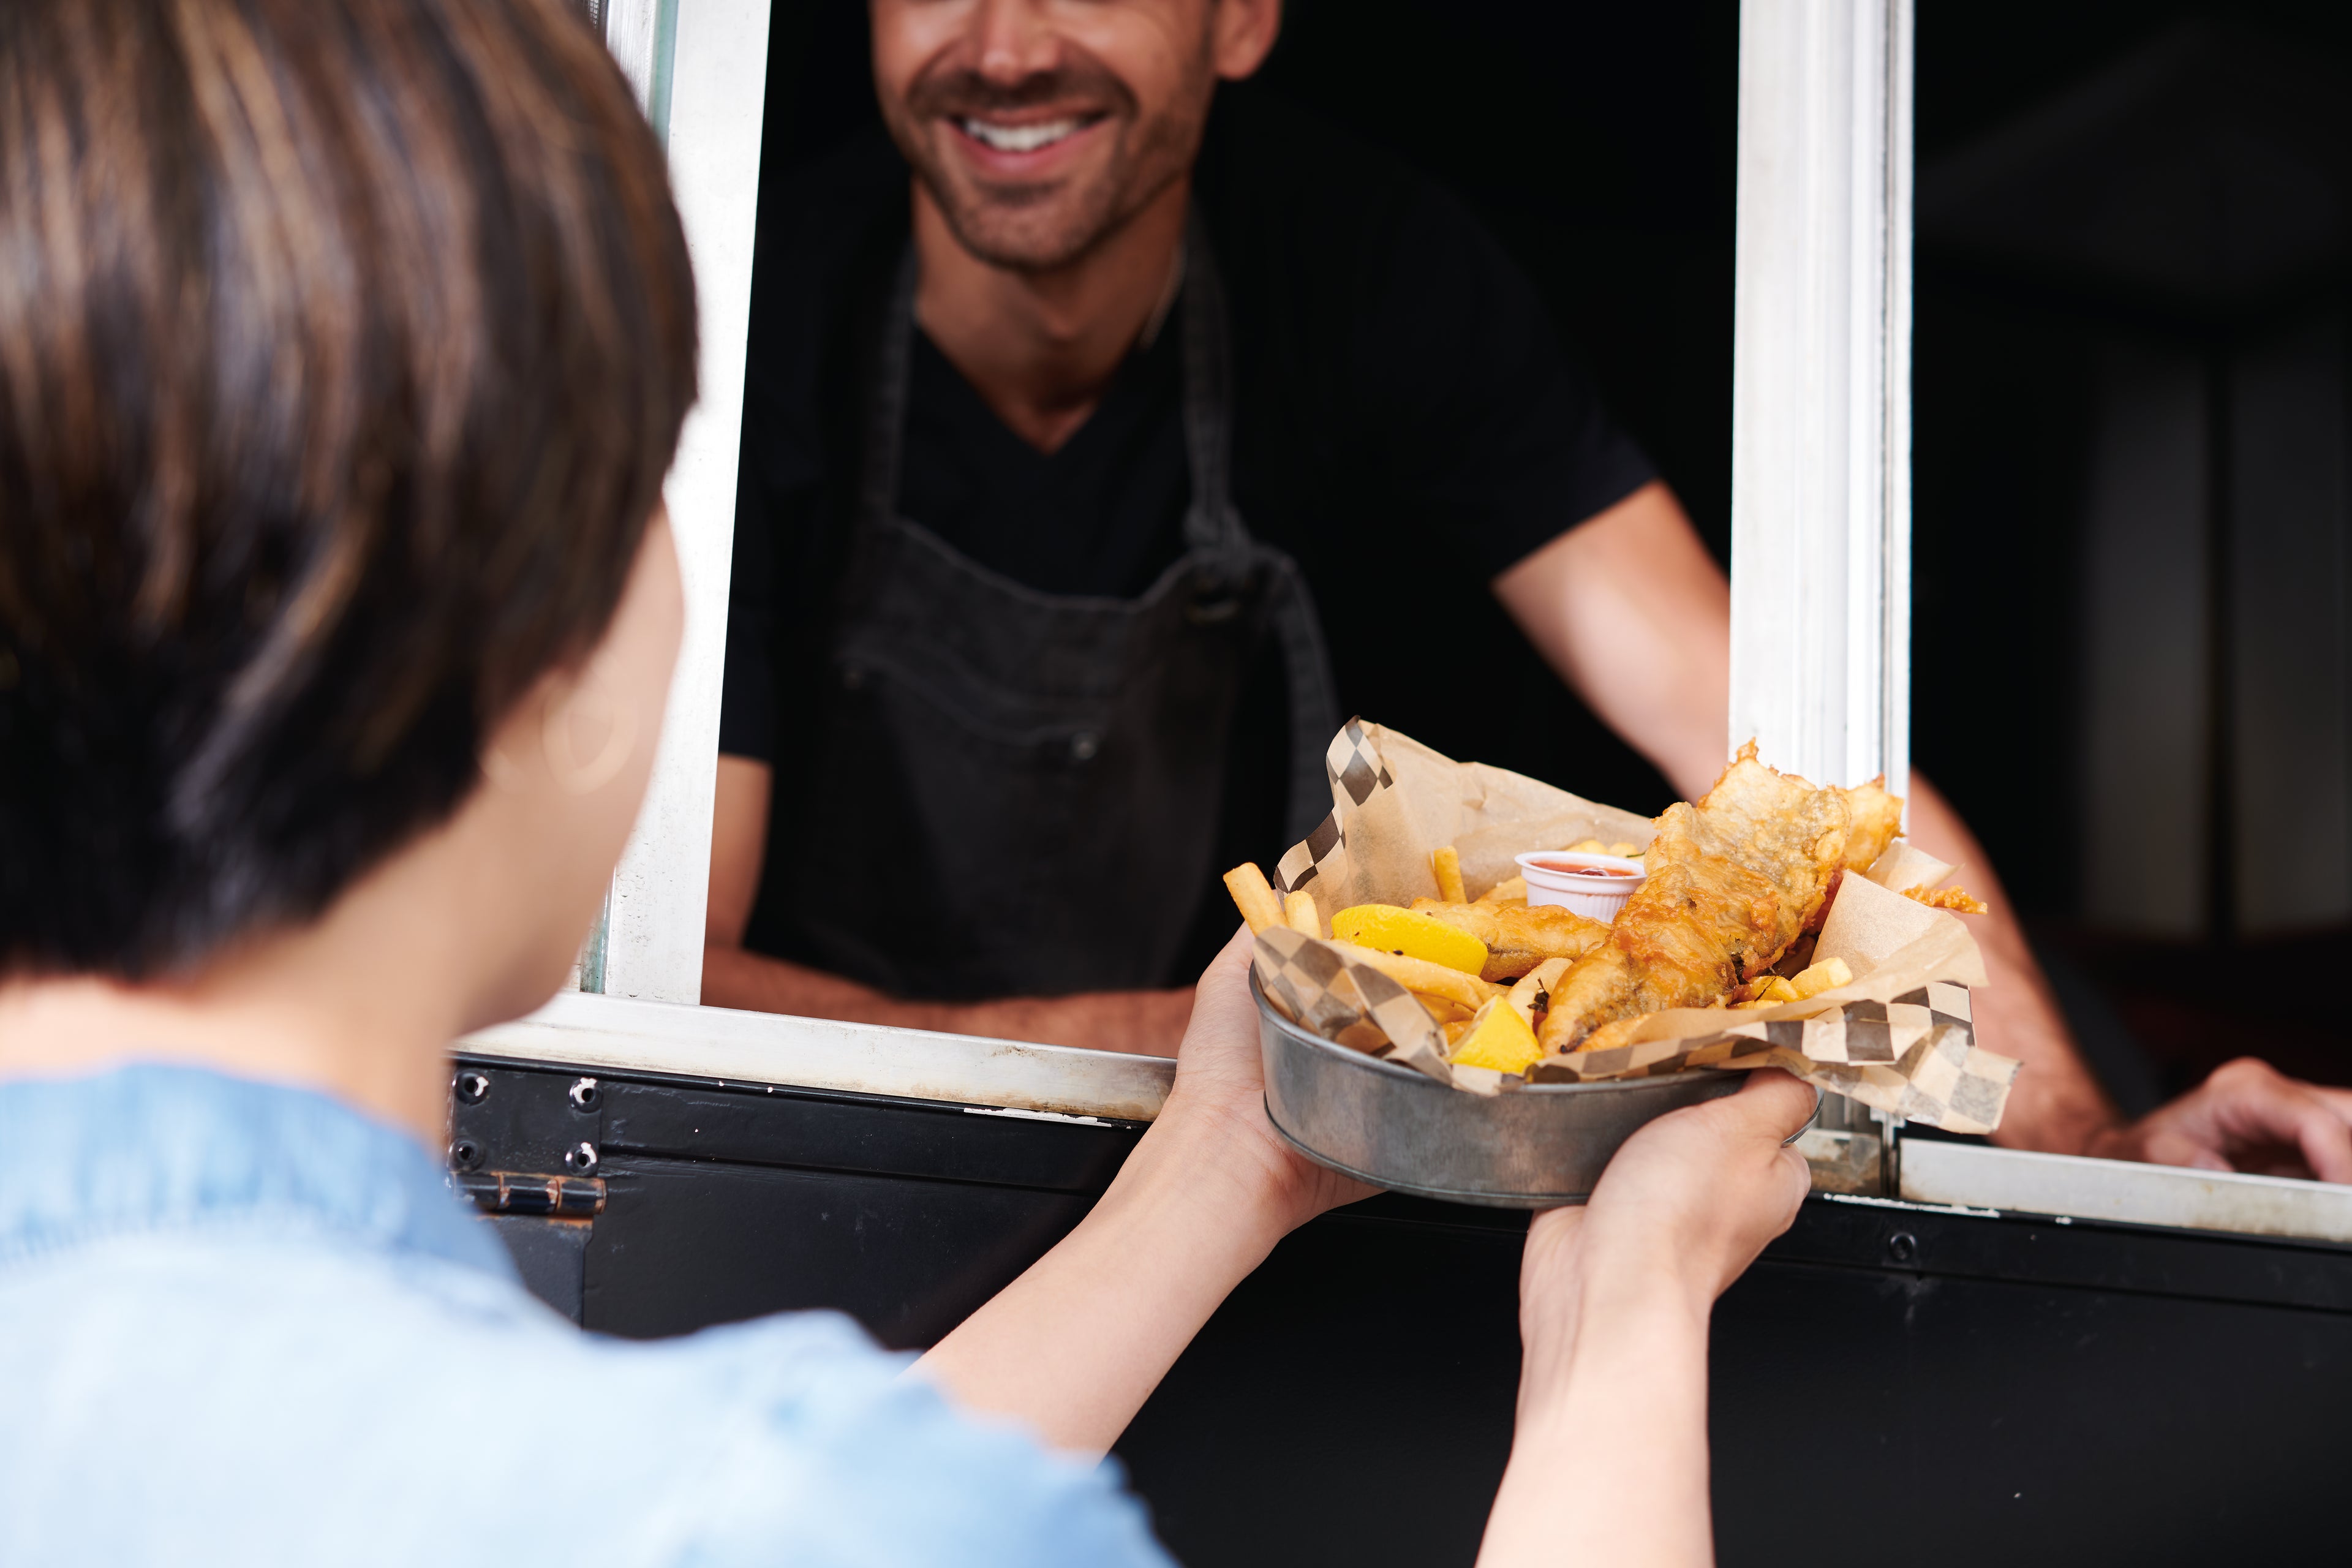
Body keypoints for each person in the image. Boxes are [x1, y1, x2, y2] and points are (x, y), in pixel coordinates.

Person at [0, 2, 1814, 1563]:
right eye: (650, 478)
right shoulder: (762, 1510)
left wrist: (1220, 1164)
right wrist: (1624, 1319)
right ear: (542, 646)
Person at [708, 0, 2352, 1182]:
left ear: (1246, 20)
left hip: (1260, 1171)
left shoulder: (1369, 268)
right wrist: (1205, 1022)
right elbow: (655, 971)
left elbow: (1786, 752)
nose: (1001, 43)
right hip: (807, 1169)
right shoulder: (738, 326)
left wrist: (2081, 1135)